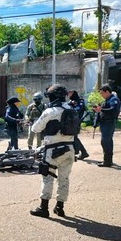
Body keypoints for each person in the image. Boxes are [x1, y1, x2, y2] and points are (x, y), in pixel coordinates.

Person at [29, 84, 76, 218]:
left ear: (52, 97)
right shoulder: (71, 109)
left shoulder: (50, 111)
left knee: (47, 178)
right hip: (69, 149)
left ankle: (43, 208)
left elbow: (36, 129)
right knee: (64, 179)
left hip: (53, 150)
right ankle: (59, 208)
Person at [92, 84, 121, 167]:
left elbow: (113, 110)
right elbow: (101, 111)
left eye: (102, 93)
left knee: (105, 141)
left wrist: (101, 109)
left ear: (107, 92)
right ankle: (108, 160)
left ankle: (107, 161)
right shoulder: (106, 100)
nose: (101, 95)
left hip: (109, 122)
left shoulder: (113, 99)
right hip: (104, 123)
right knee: (107, 141)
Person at [68, 90, 89, 160]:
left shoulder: (80, 101)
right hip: (70, 122)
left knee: (74, 138)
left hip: (76, 122)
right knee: (72, 137)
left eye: (70, 93)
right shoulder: (70, 102)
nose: (69, 95)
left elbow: (77, 110)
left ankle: (83, 152)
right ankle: (78, 152)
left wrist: (71, 106)